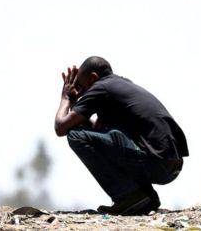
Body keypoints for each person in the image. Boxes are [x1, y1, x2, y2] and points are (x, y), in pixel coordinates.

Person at [54, 56, 188, 215]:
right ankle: (146, 198)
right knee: (109, 138)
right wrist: (78, 103)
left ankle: (127, 195)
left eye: (83, 87)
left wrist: (66, 98)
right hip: (169, 164)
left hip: (156, 162)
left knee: (75, 136)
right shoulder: (119, 86)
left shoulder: (101, 88)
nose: (82, 93)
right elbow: (97, 135)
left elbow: (61, 127)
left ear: (93, 78)